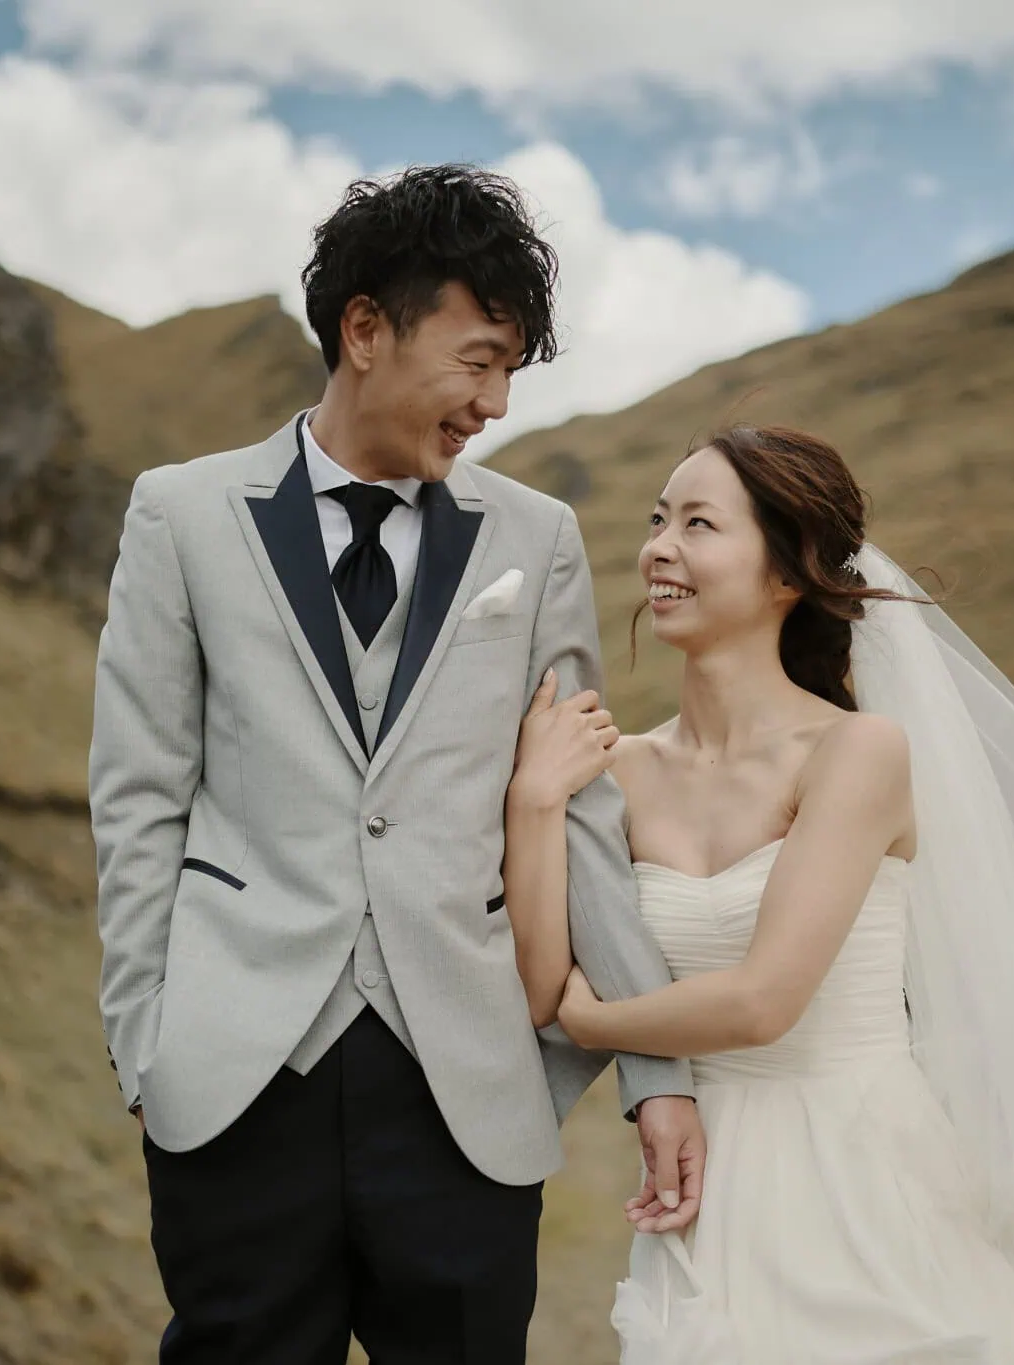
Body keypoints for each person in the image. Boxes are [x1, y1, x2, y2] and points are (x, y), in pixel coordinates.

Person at [505, 425, 1014, 1363]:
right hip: (704, 1199)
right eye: (658, 520)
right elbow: (540, 994)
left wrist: (601, 1026)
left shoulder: (859, 752)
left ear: (785, 573)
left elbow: (766, 1000)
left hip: (864, 1185)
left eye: (699, 524)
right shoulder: (622, 772)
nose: (659, 547)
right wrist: (534, 802)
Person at [87, 164, 704, 1365]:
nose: (494, 405)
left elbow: (583, 813)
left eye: (511, 372)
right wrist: (145, 1049)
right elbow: (138, 799)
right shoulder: (181, 514)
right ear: (364, 329)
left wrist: (653, 1067)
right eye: (477, 361)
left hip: (465, 1090)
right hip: (231, 1085)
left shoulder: (539, 537)